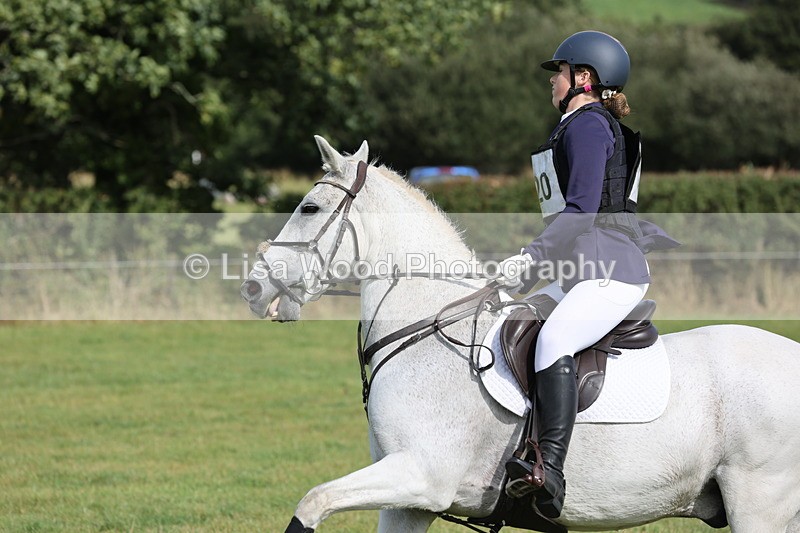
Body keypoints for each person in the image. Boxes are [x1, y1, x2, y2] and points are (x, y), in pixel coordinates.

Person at [496, 31, 679, 519]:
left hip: (609, 271)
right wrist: (523, 277)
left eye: (558, 72)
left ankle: (549, 471)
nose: (551, 81)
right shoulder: (576, 126)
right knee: (510, 318)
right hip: (583, 268)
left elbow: (578, 212)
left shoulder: (587, 127)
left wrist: (530, 259)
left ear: (584, 78)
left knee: (554, 341)